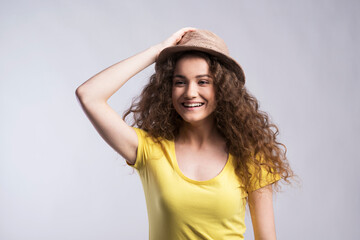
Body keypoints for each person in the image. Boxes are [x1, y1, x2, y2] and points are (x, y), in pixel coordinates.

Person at [76, 27, 293, 240]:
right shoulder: (149, 149)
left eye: (203, 82)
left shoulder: (250, 155)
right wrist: (157, 51)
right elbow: (89, 95)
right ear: (167, 88)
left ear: (223, 88)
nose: (190, 92)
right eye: (180, 82)